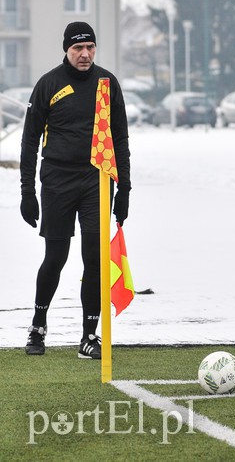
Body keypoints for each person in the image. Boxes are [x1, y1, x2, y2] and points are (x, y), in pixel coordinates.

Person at [20, 22, 131, 358]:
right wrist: (28, 191)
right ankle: (38, 327)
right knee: (55, 257)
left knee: (94, 259)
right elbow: (29, 140)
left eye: (90, 48)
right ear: (66, 50)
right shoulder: (49, 84)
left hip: (97, 180)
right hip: (56, 180)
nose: (85, 54)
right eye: (78, 49)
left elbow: (121, 138)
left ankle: (88, 335)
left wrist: (124, 188)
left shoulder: (107, 84)